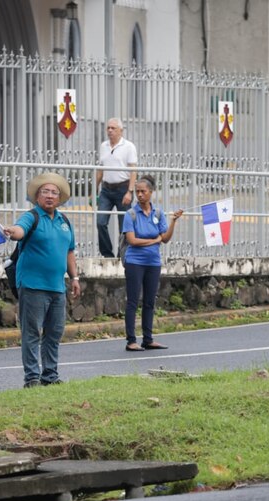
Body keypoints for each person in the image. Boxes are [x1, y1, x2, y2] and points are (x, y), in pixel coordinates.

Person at [3, 172, 81, 388]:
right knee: (31, 333)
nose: (49, 196)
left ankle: (50, 375)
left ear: (59, 198)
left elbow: (69, 252)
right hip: (32, 285)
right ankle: (32, 378)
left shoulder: (64, 221)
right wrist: (12, 231)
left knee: (54, 333)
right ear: (37, 197)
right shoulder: (31, 217)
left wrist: (74, 277)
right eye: (45, 192)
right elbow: (20, 231)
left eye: (54, 193)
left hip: (57, 287)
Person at [121, 175, 182, 352]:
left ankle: (148, 338)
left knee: (149, 301)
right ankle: (131, 340)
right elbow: (132, 240)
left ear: (151, 192)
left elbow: (165, 238)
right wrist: (153, 240)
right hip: (134, 261)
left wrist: (173, 222)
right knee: (132, 301)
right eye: (137, 191)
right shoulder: (130, 214)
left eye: (143, 191)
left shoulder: (158, 213)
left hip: (153, 262)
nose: (139, 195)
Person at [95, 117, 138, 258]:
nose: (110, 130)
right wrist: (94, 188)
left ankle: (122, 254)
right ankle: (107, 255)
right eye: (108, 128)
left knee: (124, 226)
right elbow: (101, 169)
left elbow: (133, 170)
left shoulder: (129, 146)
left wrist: (130, 192)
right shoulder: (103, 146)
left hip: (123, 189)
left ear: (121, 130)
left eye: (113, 128)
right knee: (100, 222)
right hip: (106, 189)